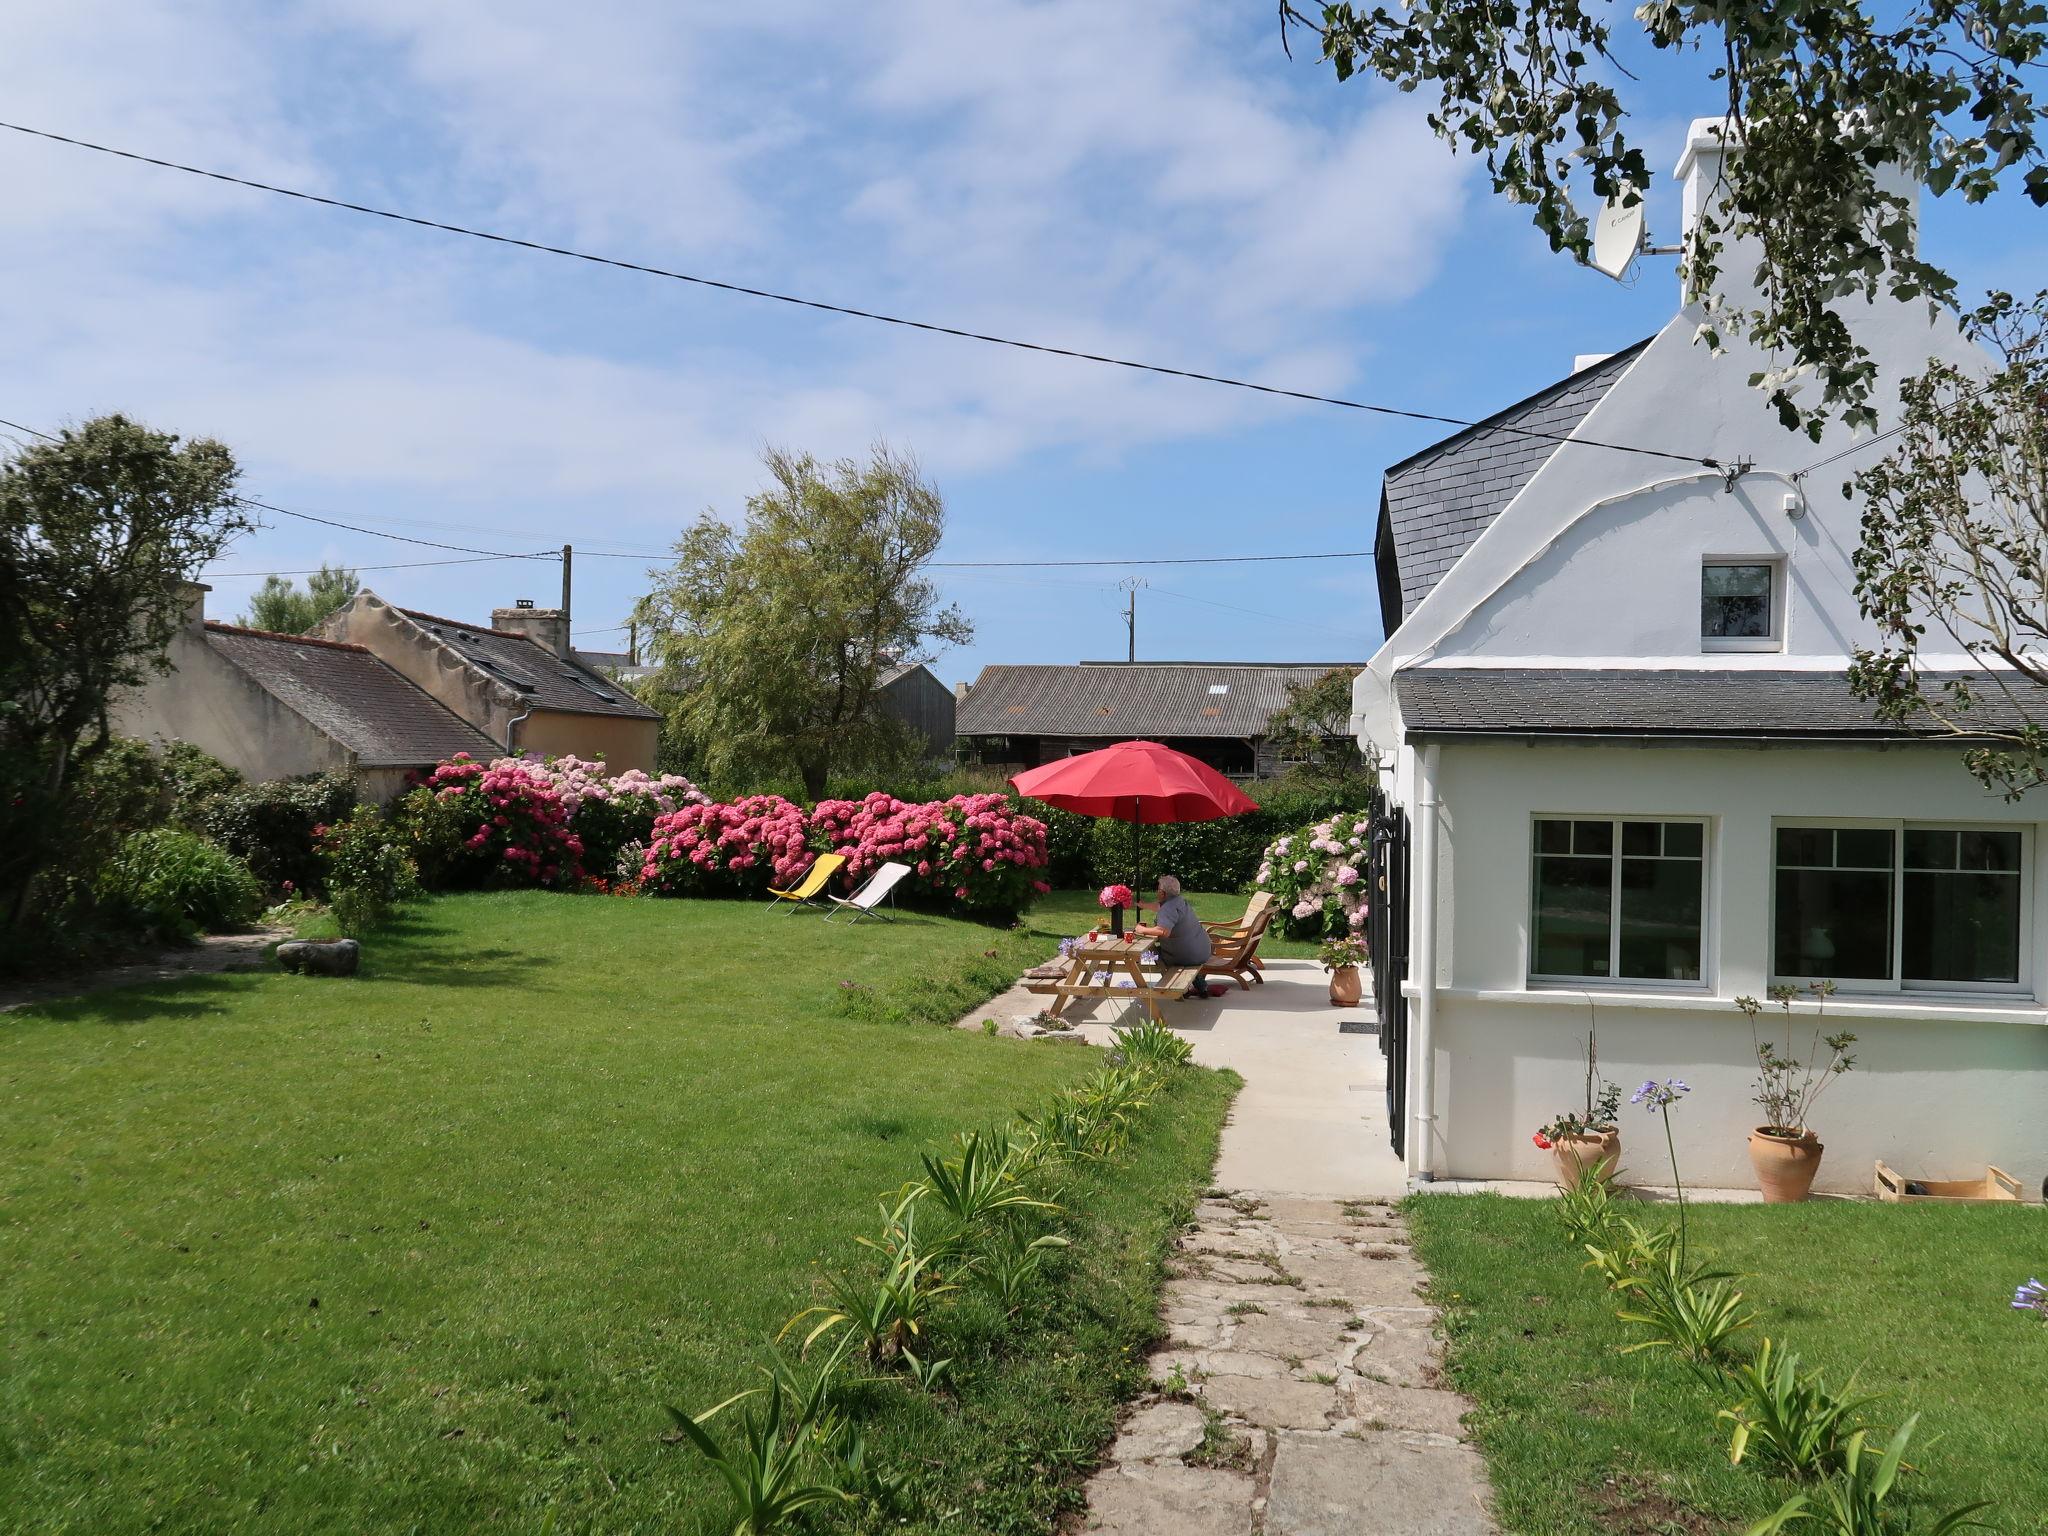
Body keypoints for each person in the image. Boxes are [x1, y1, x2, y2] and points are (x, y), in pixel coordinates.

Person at [1133, 873, 1214, 999]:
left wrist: (1141, 929)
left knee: (1153, 953)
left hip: (1187, 955)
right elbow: (1160, 906)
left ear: (1162, 893)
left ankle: (1180, 989)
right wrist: (1143, 905)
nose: (1156, 891)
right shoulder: (1179, 901)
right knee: (1165, 950)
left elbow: (1163, 931)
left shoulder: (1167, 909)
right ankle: (1200, 984)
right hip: (1202, 950)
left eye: (1158, 889)